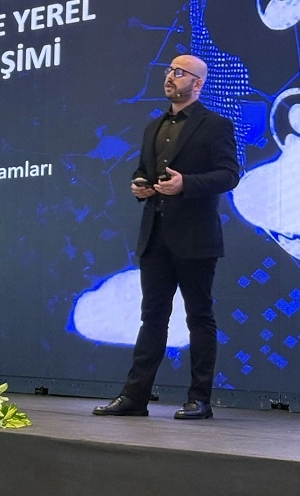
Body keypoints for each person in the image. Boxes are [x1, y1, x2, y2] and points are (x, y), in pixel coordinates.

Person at [93, 54, 239, 420]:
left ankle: (199, 399)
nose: (169, 77)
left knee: (199, 317)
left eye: (179, 72)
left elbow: (229, 175)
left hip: (196, 238)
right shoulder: (153, 127)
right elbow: (143, 170)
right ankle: (134, 397)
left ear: (198, 83)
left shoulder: (215, 125)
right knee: (152, 318)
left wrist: (186, 183)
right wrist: (140, 185)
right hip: (155, 237)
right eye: (168, 70)